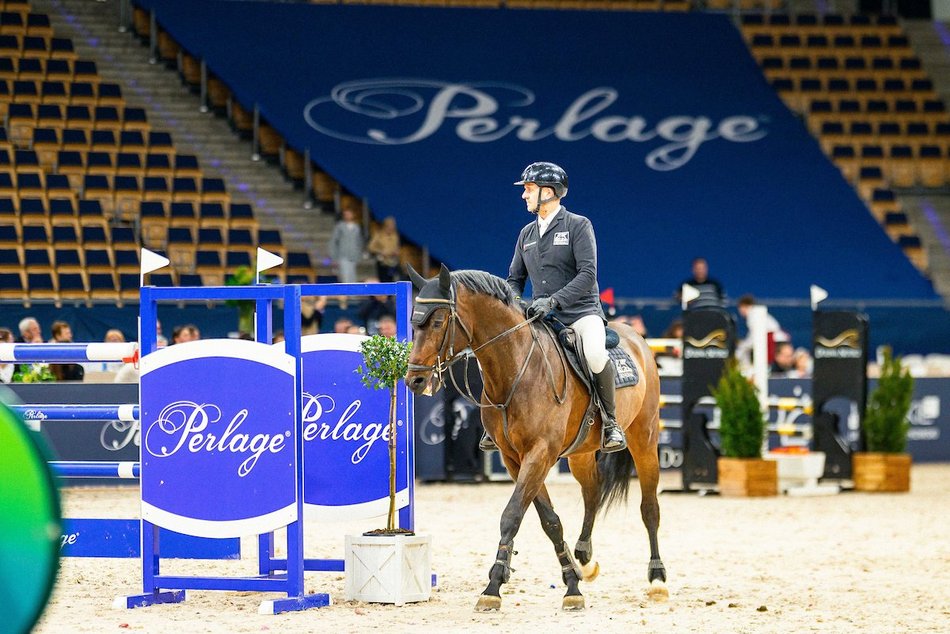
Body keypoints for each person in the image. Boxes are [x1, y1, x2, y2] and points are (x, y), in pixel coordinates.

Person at [482, 161, 625, 454]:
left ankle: (611, 423)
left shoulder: (578, 225)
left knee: (596, 355)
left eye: (529, 189)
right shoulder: (526, 233)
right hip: (540, 315)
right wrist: (512, 305)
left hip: (580, 313)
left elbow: (588, 275)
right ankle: (495, 425)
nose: (524, 195)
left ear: (549, 192)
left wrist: (554, 301)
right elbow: (514, 278)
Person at [736, 294, 790, 368]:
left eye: (740, 307)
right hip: (775, 340)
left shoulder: (753, 315)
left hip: (773, 342)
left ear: (744, 306)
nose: (740, 311)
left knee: (741, 350)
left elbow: (754, 336)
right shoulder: (756, 314)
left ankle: (745, 370)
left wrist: (743, 344)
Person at [328, 204, 365, 285]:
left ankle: (353, 297)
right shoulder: (340, 227)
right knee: (345, 278)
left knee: (352, 277)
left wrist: (359, 254)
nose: (347, 216)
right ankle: (347, 296)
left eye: (349, 214)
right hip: (343, 256)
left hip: (353, 256)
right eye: (346, 214)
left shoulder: (357, 227)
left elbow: (359, 242)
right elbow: (333, 241)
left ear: (353, 214)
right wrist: (334, 256)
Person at [367, 216, 403, 282]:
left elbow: (396, 246)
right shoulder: (379, 234)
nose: (391, 227)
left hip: (392, 261)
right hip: (382, 262)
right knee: (383, 280)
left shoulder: (395, 235)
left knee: (393, 279)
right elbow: (370, 247)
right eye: (390, 225)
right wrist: (381, 251)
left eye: (393, 225)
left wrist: (396, 251)